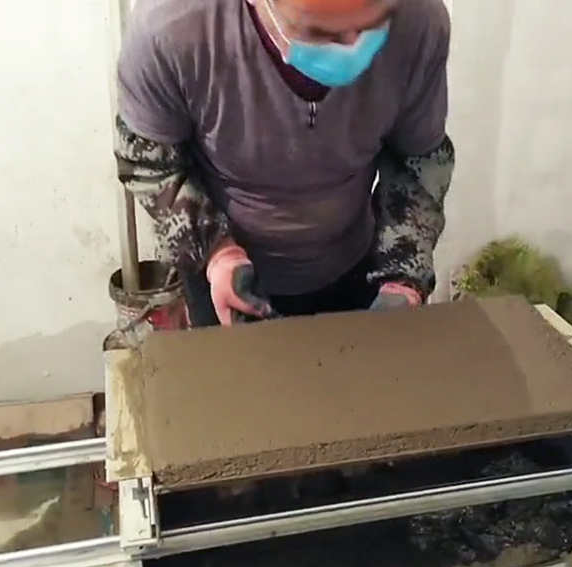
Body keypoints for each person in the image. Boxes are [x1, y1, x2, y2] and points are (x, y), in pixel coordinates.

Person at [115, 0, 454, 327]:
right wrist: (216, 252)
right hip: (224, 278)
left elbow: (418, 160)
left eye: (369, 23)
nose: (350, 46)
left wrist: (403, 275)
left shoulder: (418, 19)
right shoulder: (171, 29)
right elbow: (149, 165)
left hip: (356, 263)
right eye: (318, 29)